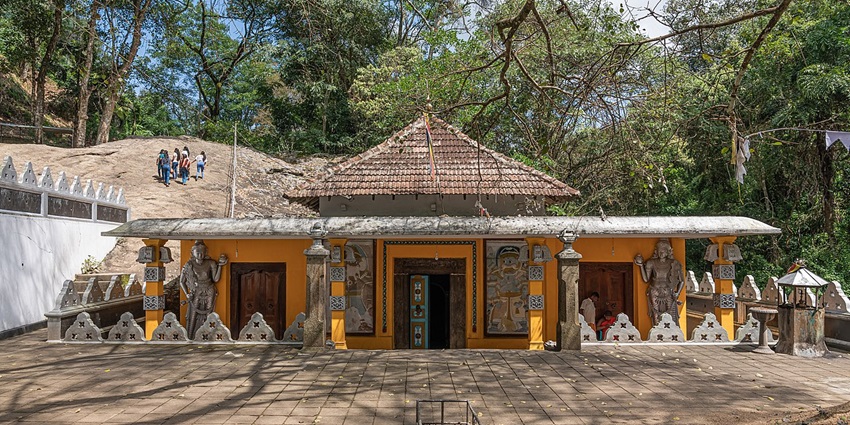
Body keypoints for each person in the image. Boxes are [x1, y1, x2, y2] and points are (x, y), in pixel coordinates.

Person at [179, 240, 228, 338]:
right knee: (193, 314)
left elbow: (216, 279)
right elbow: (181, 281)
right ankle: (190, 336)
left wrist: (220, 267)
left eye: (202, 252)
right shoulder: (189, 265)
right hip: (196, 290)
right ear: (192, 253)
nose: (200, 254)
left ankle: (208, 335)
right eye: (197, 252)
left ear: (205, 252)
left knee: (209, 314)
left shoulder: (211, 263)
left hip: (209, 289)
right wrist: (187, 294)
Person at [635, 239, 685, 326]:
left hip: (668, 290)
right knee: (655, 314)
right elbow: (646, 279)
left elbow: (682, 281)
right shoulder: (651, 263)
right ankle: (657, 333)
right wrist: (641, 265)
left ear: (668, 252)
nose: (661, 253)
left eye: (664, 251)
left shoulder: (674, 263)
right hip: (654, 290)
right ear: (656, 251)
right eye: (659, 251)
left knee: (671, 314)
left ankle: (672, 333)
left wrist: (678, 293)